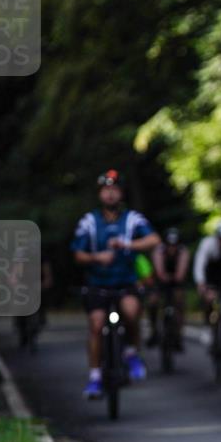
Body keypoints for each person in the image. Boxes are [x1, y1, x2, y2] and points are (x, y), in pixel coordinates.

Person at [71, 169, 160, 399]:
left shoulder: (132, 219)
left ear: (121, 193)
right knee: (96, 324)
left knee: (131, 311)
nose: (110, 194)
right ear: (100, 194)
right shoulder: (89, 221)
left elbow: (153, 239)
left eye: (115, 190)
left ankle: (131, 352)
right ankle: (94, 377)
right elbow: (77, 254)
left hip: (125, 283)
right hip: (97, 284)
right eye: (106, 190)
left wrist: (128, 245)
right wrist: (96, 258)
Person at [147, 228, 191, 349]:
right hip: (161, 281)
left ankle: (178, 334)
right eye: (169, 245)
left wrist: (177, 276)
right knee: (153, 302)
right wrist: (163, 276)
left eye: (174, 245)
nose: (172, 248)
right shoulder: (159, 250)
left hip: (176, 282)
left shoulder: (183, 251)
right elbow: (159, 270)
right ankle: (154, 329)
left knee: (180, 302)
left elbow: (181, 273)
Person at [194, 219, 221, 322]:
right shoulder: (207, 244)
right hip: (210, 275)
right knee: (209, 300)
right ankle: (208, 322)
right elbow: (199, 264)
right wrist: (201, 282)